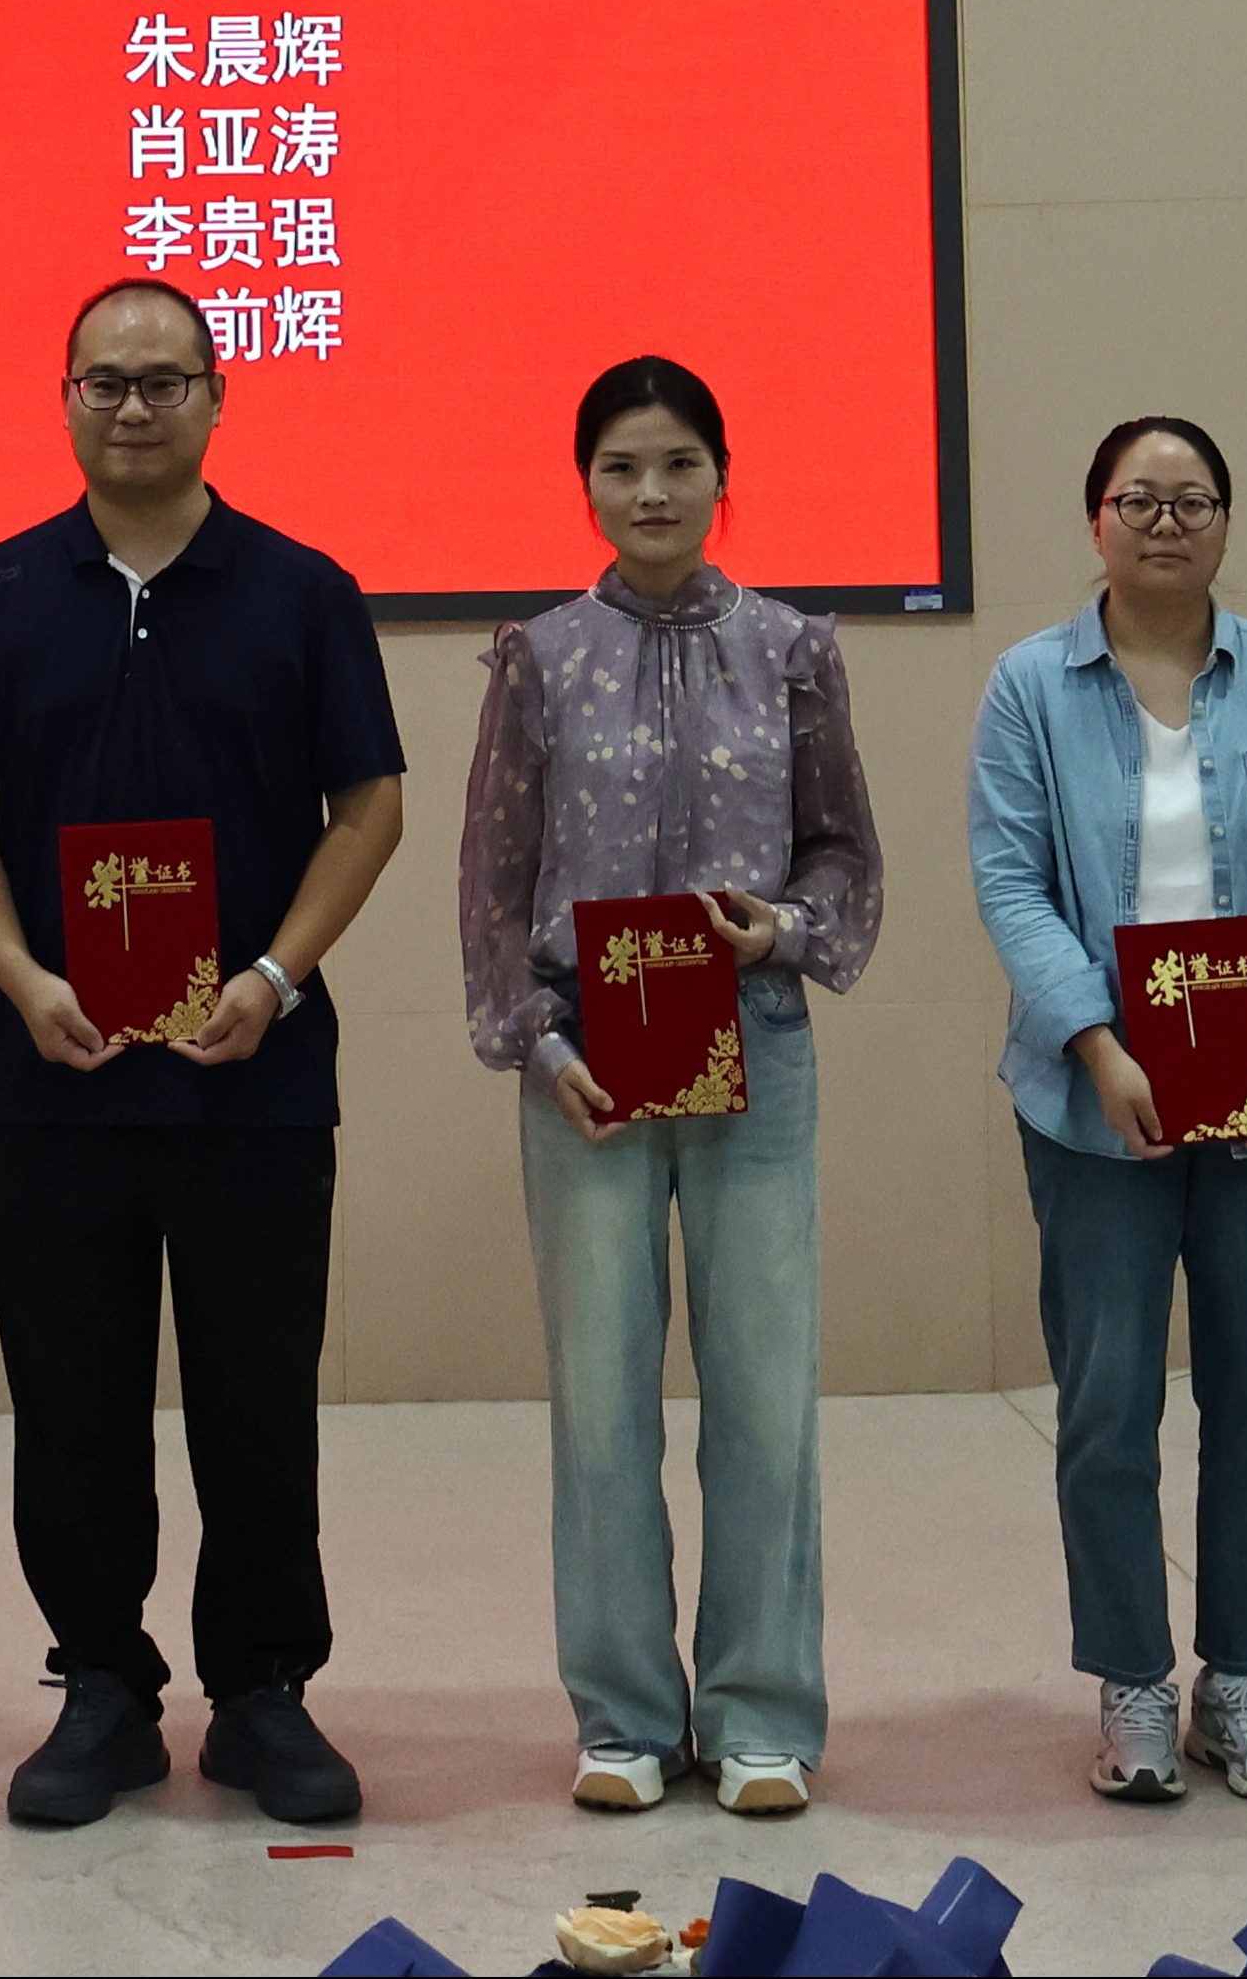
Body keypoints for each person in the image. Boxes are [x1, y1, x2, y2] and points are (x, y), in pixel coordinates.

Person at [0, 279, 405, 1831]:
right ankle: (104, 1689)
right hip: (60, 1083)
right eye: (106, 382)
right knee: (73, 1408)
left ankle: (262, 1693)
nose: (134, 406)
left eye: (164, 380)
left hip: (254, 1083)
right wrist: (17, 974)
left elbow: (369, 807)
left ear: (216, 396)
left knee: (259, 1404)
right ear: (64, 398)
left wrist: (275, 974)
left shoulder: (304, 591)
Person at [453, 358, 881, 1816]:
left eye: (679, 463)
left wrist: (787, 930)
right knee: (600, 1400)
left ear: (721, 477)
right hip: (586, 1062)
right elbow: (493, 879)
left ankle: (762, 1711)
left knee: (765, 1394)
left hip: (752, 1046)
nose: (651, 491)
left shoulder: (792, 648)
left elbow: (842, 850)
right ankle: (626, 1716)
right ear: (586, 485)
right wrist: (536, 1040)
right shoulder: (539, 656)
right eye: (622, 466)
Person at [975, 417, 1247, 1808]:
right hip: (1096, 1104)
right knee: (1105, 1404)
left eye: (1193, 500)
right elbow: (1011, 881)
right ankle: (1134, 1683)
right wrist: (1097, 1044)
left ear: (1225, 521)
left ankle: (1245, 1681)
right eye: (1138, 499)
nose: (1165, 522)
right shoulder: (1030, 687)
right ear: (1094, 519)